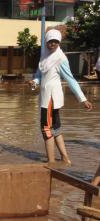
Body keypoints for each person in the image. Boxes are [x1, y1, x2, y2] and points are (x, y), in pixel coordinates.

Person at [29, 29, 93, 164]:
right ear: (46, 41)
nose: (52, 44)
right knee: (55, 127)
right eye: (50, 41)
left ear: (59, 43)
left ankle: (51, 162)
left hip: (51, 98)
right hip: (45, 96)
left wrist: (83, 99)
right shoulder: (44, 56)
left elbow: (70, 79)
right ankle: (65, 158)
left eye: (55, 42)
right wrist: (34, 82)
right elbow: (40, 76)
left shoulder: (60, 58)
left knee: (46, 128)